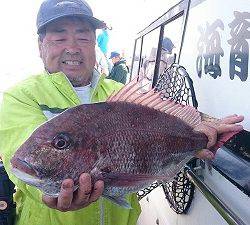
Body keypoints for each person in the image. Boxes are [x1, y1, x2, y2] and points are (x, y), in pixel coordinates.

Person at [0, 0, 244, 225]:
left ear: (95, 44)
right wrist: (47, 191)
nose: (73, 48)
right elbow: (21, 168)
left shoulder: (120, 91)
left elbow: (174, 122)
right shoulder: (20, 97)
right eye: (59, 38)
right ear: (40, 45)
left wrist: (200, 134)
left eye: (83, 38)